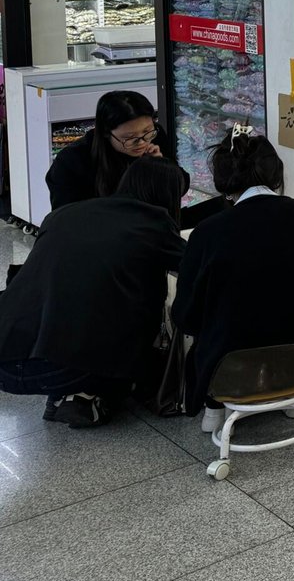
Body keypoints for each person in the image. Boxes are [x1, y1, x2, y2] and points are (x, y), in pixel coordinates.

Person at [0, 157, 188, 428]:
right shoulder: (154, 223)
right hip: (60, 368)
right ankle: (88, 395)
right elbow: (194, 266)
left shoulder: (63, 214)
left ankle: (67, 395)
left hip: (6, 356)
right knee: (138, 311)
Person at [173, 129, 294, 427]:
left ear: (223, 181)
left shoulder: (207, 233)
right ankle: (291, 398)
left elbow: (186, 315)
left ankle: (214, 410)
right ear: (276, 173)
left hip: (225, 371)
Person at [46, 90, 183, 211]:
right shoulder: (72, 161)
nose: (142, 142)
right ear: (106, 133)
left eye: (147, 131)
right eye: (130, 138)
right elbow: (65, 218)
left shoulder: (155, 137)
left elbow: (181, 186)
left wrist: (161, 169)